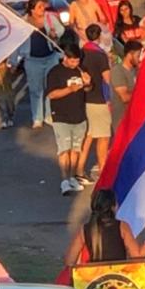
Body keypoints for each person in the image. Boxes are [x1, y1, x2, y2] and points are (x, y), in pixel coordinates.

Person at [45, 42, 91, 196]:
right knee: (64, 149)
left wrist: (87, 83)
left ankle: (72, 177)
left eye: (77, 61)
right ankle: (64, 180)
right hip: (61, 116)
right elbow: (52, 94)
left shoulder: (81, 70)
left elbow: (88, 89)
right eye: (72, 61)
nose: (75, 64)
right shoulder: (55, 72)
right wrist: (70, 89)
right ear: (65, 57)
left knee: (75, 149)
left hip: (79, 116)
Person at [64, 189, 145, 267]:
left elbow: (69, 261)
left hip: (95, 277)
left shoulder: (84, 229)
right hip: (118, 276)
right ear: (113, 207)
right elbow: (137, 256)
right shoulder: (122, 226)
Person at [77, 25, 113, 181]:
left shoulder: (81, 53)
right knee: (103, 137)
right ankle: (103, 170)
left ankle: (79, 169)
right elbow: (107, 79)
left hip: (84, 98)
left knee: (89, 136)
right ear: (99, 36)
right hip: (99, 100)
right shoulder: (100, 55)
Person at [23, 0, 65, 128]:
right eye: (39, 7)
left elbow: (61, 30)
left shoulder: (49, 18)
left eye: (43, 6)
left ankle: (49, 115)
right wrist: (13, 61)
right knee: (36, 90)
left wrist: (54, 34)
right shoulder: (24, 22)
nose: (43, 9)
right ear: (32, 10)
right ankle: (37, 117)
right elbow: (18, 42)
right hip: (32, 61)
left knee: (50, 87)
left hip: (50, 58)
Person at [109, 40, 141, 130]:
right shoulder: (118, 71)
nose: (139, 59)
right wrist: (142, 94)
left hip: (135, 119)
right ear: (130, 55)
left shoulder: (136, 71)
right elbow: (124, 97)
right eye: (138, 56)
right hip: (122, 120)